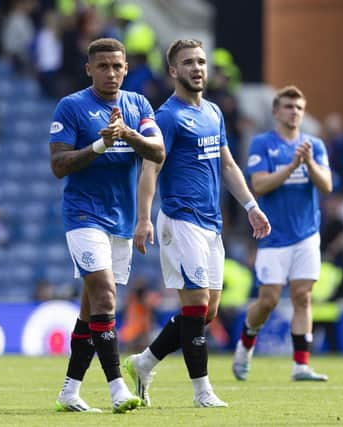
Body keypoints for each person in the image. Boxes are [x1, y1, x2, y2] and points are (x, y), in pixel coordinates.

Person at [124, 39, 271, 409]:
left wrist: (251, 205)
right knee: (195, 304)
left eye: (201, 62)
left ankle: (144, 363)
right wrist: (143, 218)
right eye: (188, 62)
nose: (197, 68)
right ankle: (202, 391)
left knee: (208, 312)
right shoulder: (167, 117)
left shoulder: (214, 112)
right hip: (180, 219)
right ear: (173, 71)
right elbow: (150, 167)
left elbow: (228, 165)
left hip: (211, 223)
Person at [49, 37, 165, 414]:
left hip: (121, 219)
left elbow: (158, 151)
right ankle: (117, 388)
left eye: (117, 66)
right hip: (83, 215)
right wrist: (99, 146)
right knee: (104, 297)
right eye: (103, 66)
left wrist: (128, 135)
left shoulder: (138, 105)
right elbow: (58, 165)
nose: (111, 73)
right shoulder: (72, 107)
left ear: (126, 68)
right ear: (89, 69)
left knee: (90, 310)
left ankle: (69, 390)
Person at [232, 86, 332, 382]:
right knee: (269, 300)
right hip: (273, 235)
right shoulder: (262, 143)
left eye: (299, 107)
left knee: (303, 296)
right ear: (276, 111)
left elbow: (326, 186)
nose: (294, 112)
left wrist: (309, 163)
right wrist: (292, 166)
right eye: (288, 107)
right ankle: (246, 342)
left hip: (306, 234)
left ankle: (301, 365)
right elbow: (259, 185)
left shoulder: (314, 145)